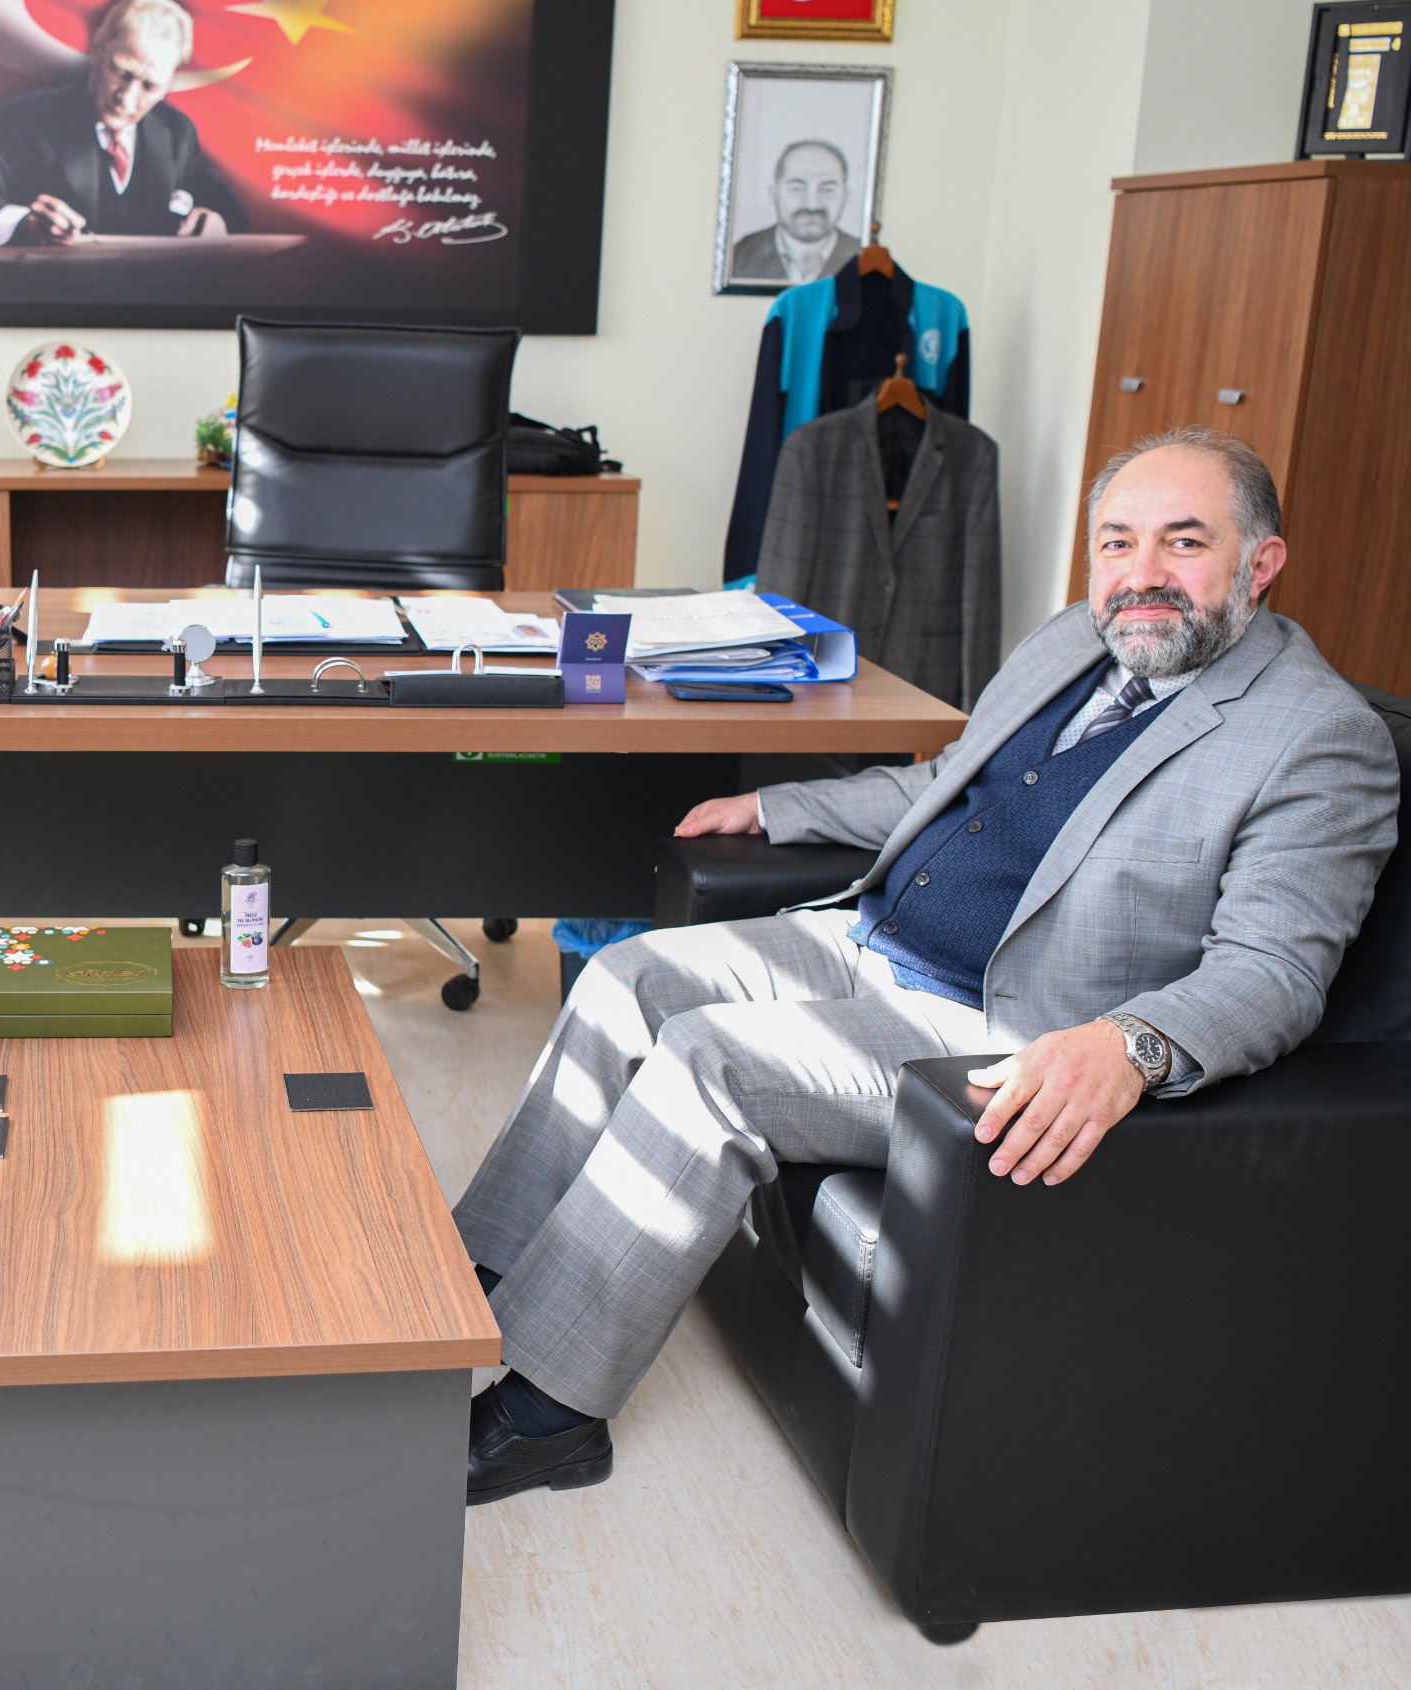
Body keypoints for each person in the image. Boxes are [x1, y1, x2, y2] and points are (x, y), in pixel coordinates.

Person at [453, 425, 1398, 1504]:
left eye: (1183, 542)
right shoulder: (1070, 641)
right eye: (1117, 541)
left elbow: (1276, 971)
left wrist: (1128, 1045)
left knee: (708, 1061)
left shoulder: (1317, 735)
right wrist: (779, 805)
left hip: (1002, 1026)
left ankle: (550, 1415)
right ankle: (470, 1291)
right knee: (628, 978)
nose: (1141, 573)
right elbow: (945, 782)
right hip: (872, 940)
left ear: (1260, 562)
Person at [0, 0, 248, 246]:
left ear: (168, 83)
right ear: (97, 50)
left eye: (149, 86)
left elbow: (237, 220)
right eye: (121, 72)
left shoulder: (175, 132)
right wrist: (22, 223)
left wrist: (217, 226)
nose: (127, 98)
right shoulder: (25, 120)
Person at [728, 138, 860, 284]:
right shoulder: (737, 257)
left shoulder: (864, 258)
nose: (812, 205)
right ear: (774, 193)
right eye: (797, 188)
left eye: (828, 189)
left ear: (845, 196)